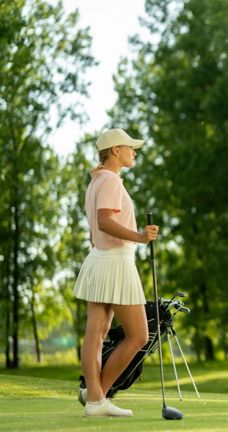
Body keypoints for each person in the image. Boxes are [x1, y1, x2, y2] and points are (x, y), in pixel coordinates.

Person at [73, 128, 159, 417]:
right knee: (138, 336)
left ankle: (94, 395)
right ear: (115, 151)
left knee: (96, 334)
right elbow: (105, 221)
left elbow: (93, 231)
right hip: (115, 263)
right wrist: (140, 236)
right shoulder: (110, 180)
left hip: (101, 260)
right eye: (129, 147)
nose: (134, 151)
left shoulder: (97, 181)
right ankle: (99, 395)